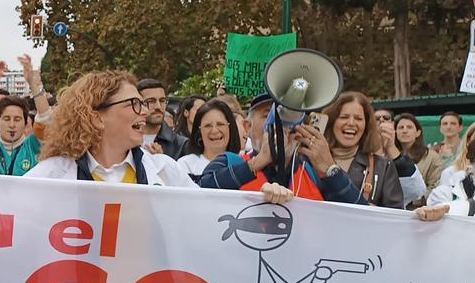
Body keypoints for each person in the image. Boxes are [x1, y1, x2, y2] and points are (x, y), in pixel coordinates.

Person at [25, 71, 207, 188]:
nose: (144, 111)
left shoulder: (166, 170)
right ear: (96, 118)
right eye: (134, 104)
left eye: (143, 104)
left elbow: (202, 216)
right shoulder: (51, 175)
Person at [199, 93, 366, 203]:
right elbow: (197, 194)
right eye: (268, 115)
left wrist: (330, 169)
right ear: (247, 126)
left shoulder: (312, 172)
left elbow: (362, 216)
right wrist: (257, 163)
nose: (281, 123)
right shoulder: (229, 162)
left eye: (288, 115)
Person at [317, 92, 412, 209]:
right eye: (344, 117)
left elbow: (394, 216)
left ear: (366, 125)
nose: (351, 123)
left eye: (358, 118)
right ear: (331, 122)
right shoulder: (309, 161)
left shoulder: (382, 166)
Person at [177, 99, 242, 181]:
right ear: (199, 131)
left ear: (230, 127)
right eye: (208, 126)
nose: (214, 130)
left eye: (220, 124)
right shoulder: (185, 165)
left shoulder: (242, 165)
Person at [396, 112, 445, 202]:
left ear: (418, 133)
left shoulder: (432, 157)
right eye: (400, 127)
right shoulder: (388, 156)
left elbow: (435, 187)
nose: (404, 130)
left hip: (419, 209)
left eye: (409, 127)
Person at [0, 95, 40, 176]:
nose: (12, 125)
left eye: (17, 119)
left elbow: (45, 118)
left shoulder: (33, 145)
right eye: (7, 119)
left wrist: (36, 87)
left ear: (26, 124)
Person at [136, 78, 189, 158]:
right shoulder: (126, 140)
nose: (158, 107)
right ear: (138, 104)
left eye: (162, 101)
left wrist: (162, 161)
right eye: (151, 101)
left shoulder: (181, 145)